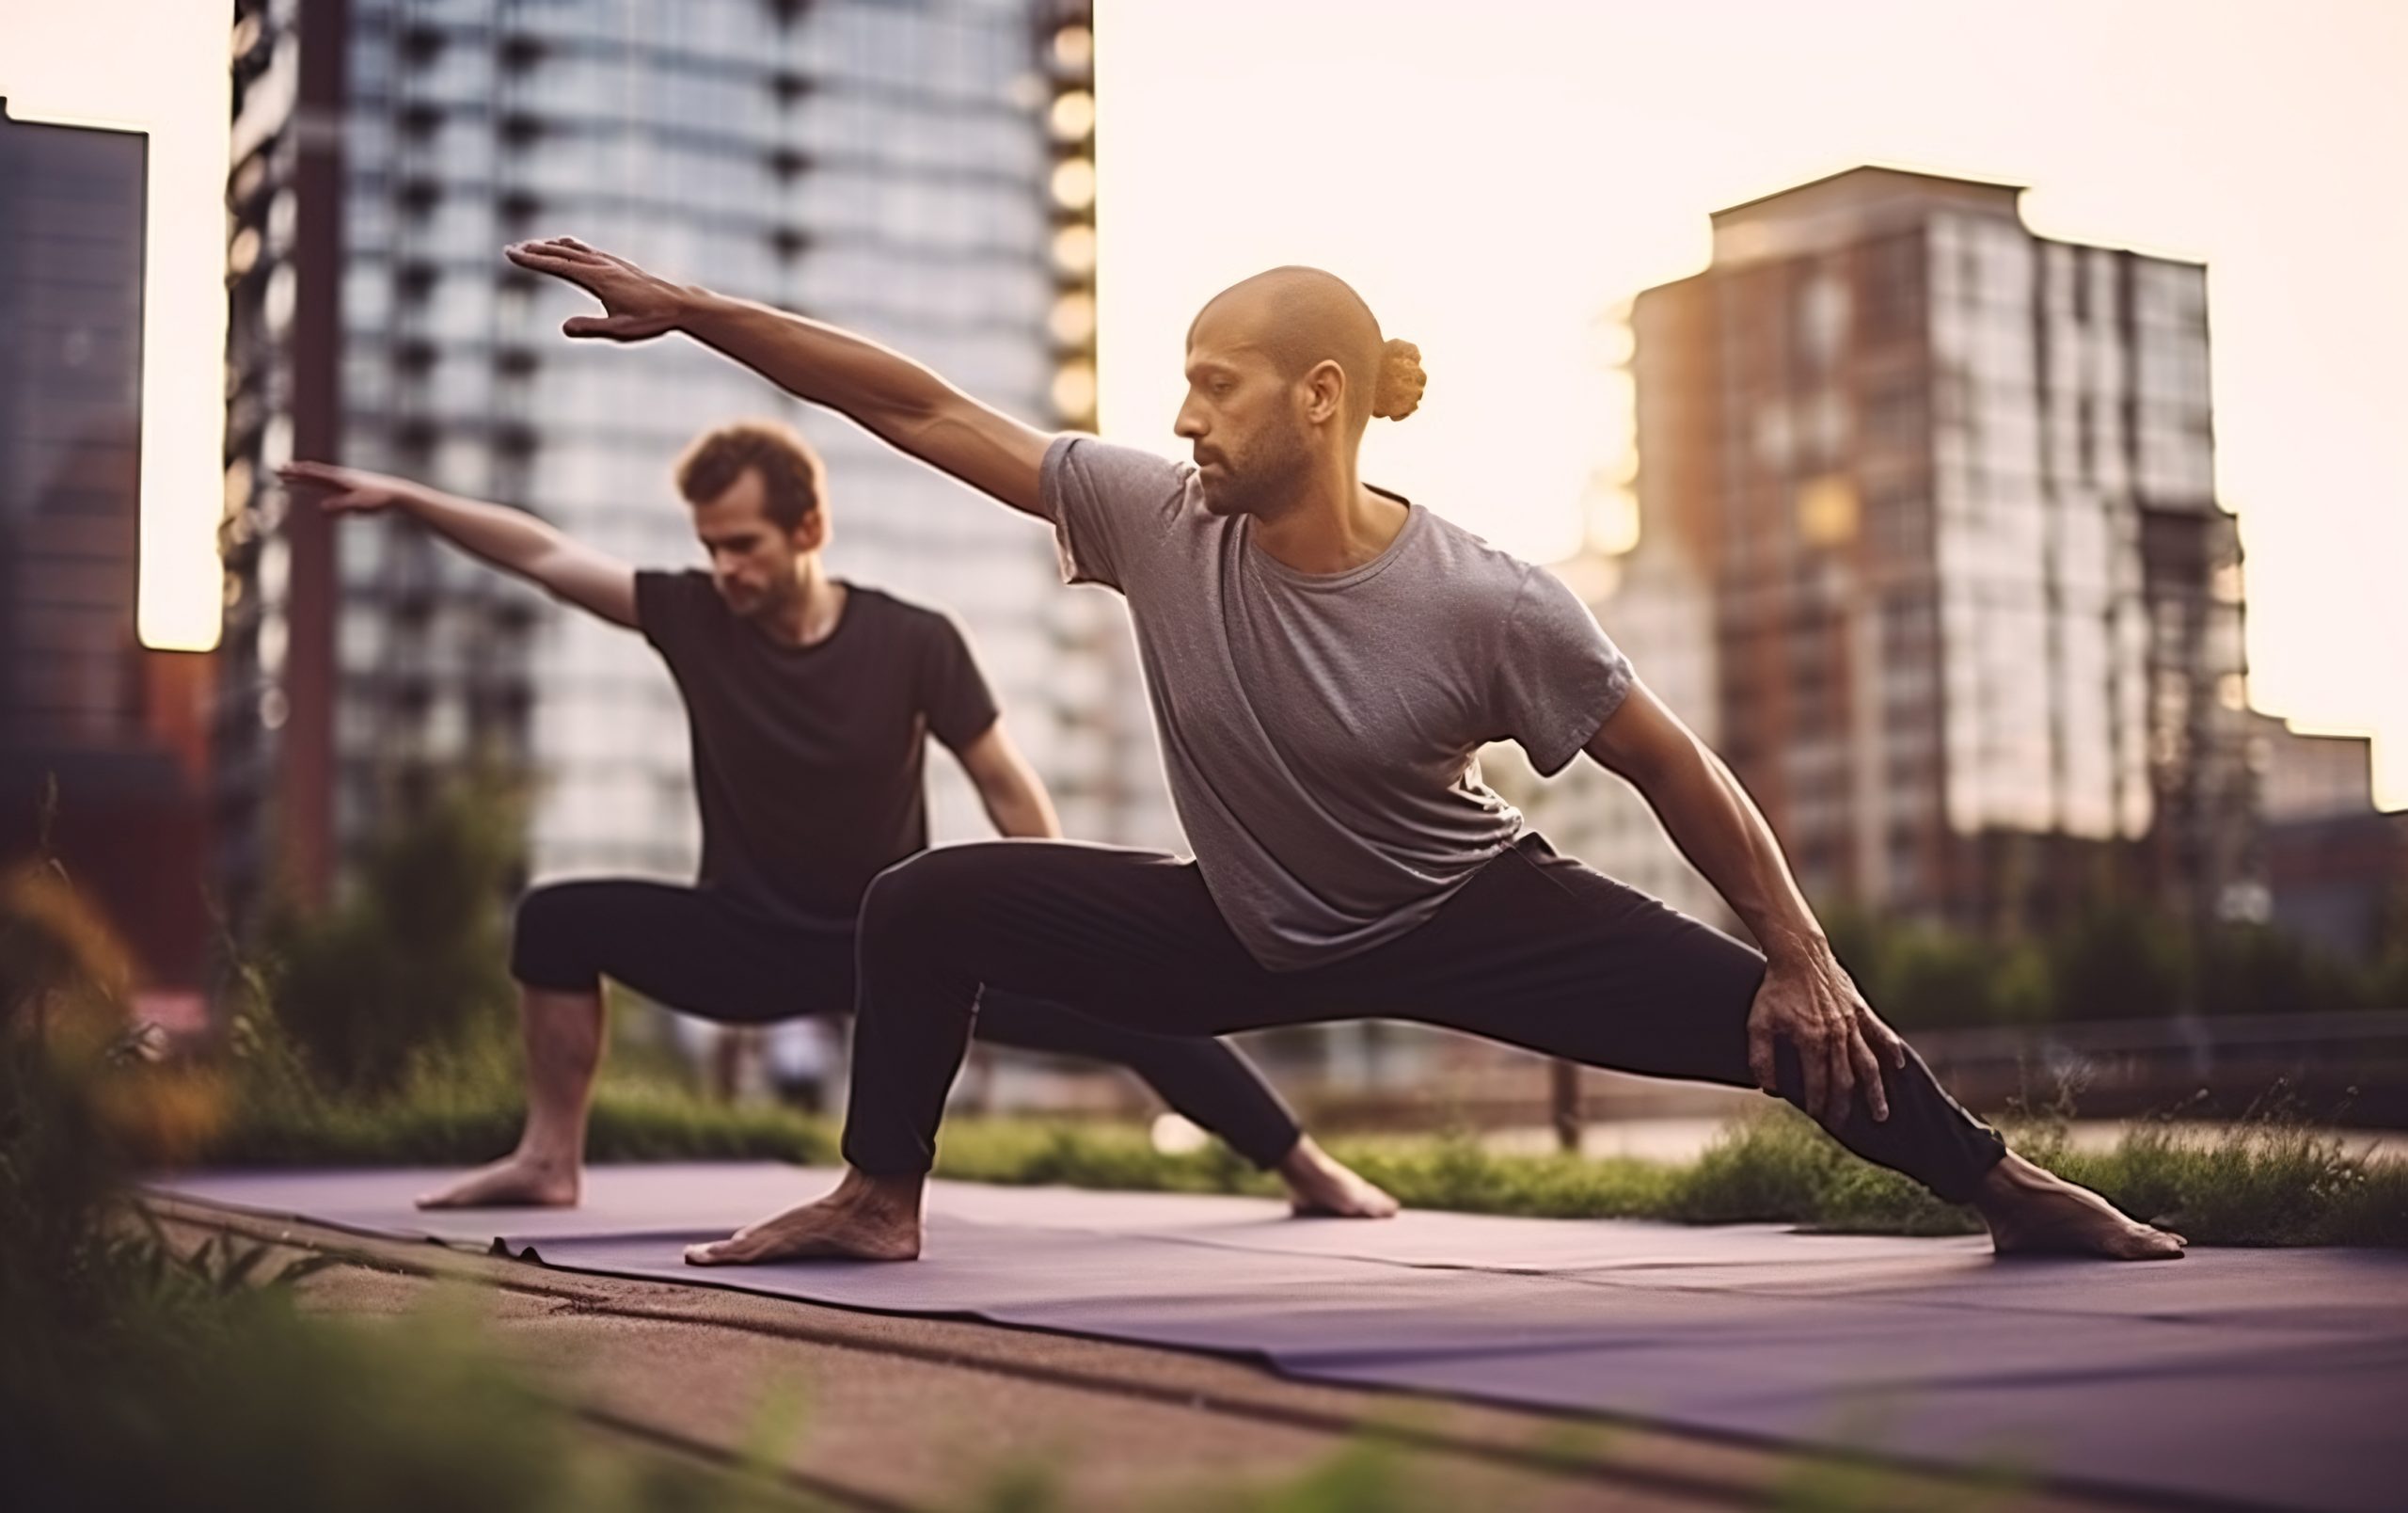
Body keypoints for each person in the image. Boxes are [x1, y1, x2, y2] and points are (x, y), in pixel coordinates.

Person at [500, 235, 2187, 1267]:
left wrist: (1802, 954)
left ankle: (2005, 1179)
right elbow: (927, 408)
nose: (1180, 418)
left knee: (1774, 1028)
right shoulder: (1160, 519)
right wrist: (698, 310)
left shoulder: (1483, 600)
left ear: (1319, 397)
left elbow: (1674, 766)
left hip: (1468, 911)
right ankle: (881, 1193)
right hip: (1234, 925)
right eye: (1179, 384)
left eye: (1215, 386)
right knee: (926, 901)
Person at [275, 422, 1397, 1218]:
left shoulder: (913, 639)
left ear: (806, 527)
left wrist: (1060, 918)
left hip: (897, 948)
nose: (723, 568)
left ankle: (1305, 1167)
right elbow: (543, 554)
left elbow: (1003, 781)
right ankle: (547, 1158)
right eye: (710, 545)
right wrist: (413, 500)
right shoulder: (693, 618)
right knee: (557, 921)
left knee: (1136, 1012)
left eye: (743, 544)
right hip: (747, 940)